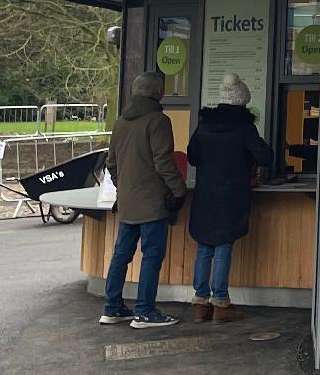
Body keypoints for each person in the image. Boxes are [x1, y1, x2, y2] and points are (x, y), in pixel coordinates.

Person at [101, 70, 187, 328]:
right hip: (152, 202)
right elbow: (163, 161)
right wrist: (178, 190)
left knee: (121, 256)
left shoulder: (121, 122)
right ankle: (145, 311)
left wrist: (123, 188)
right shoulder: (158, 121)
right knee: (151, 256)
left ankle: (112, 308)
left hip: (128, 201)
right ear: (158, 92)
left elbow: (111, 163)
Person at [186, 73, 274, 322]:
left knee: (204, 246)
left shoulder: (204, 126)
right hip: (231, 195)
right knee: (224, 245)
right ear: (242, 101)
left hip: (205, 194)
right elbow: (265, 156)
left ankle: (200, 302)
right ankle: (221, 303)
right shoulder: (244, 129)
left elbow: (192, 157)